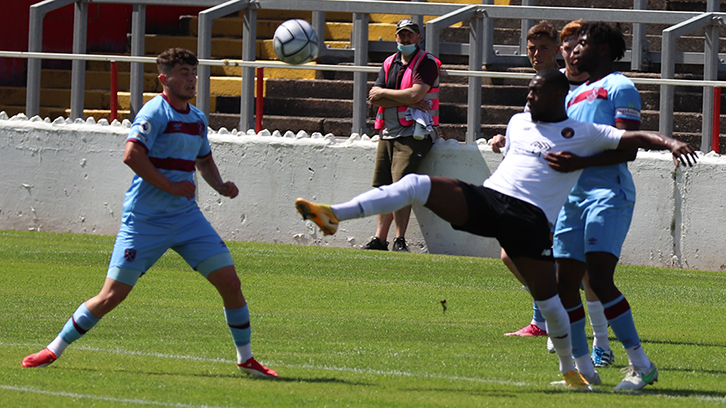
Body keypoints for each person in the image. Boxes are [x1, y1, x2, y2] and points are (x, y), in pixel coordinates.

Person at [295, 69, 697, 390]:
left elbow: (633, 136)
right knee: (418, 186)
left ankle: (575, 371)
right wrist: (504, 141)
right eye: (528, 92)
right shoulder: (519, 120)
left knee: (554, 301)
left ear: (557, 97)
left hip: (529, 221)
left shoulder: (582, 132)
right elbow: (519, 154)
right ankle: (334, 214)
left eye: (536, 92)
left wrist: (672, 142)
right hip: (491, 200)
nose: (528, 97)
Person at [21, 48, 277, 378]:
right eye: (183, 72)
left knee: (230, 283)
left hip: (187, 219)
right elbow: (132, 155)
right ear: (163, 79)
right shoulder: (154, 112)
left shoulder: (197, 119)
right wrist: (170, 187)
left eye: (193, 72)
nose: (190, 79)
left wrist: (220, 186)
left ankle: (246, 359)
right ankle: (53, 349)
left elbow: (203, 160)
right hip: (145, 220)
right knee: (111, 295)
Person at [552, 21, 656, 391]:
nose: (573, 48)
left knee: (598, 278)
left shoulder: (620, 87)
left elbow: (627, 148)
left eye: (583, 43)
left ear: (602, 50)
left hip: (607, 193)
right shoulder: (573, 93)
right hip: (572, 199)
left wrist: (576, 163)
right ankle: (584, 370)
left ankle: (641, 363)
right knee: (565, 286)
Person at [491, 21, 560, 338]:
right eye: (531, 48)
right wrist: (508, 140)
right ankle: (549, 313)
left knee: (524, 254)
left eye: (543, 47)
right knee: (518, 254)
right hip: (533, 187)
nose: (536, 53)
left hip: (552, 187)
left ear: (557, 50)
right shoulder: (540, 82)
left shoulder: (563, 86)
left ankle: (547, 318)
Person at [363, 18, 441, 252]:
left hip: (415, 131)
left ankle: (400, 239)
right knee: (383, 187)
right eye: (401, 35)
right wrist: (405, 96)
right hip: (388, 131)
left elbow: (415, 95)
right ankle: (380, 238)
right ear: (396, 37)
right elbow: (373, 98)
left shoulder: (426, 62)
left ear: (418, 37)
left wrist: (388, 95)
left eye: (409, 35)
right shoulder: (389, 62)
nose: (405, 39)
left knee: (400, 184)